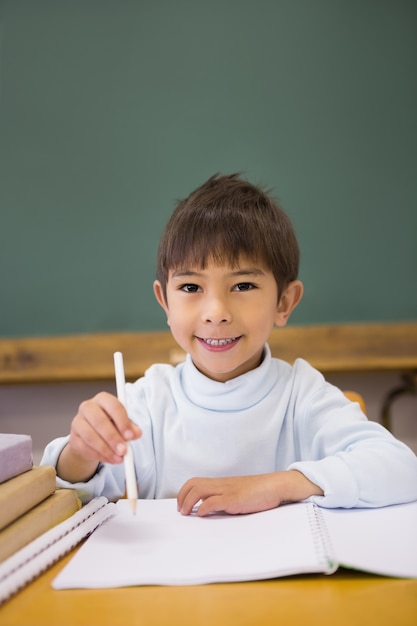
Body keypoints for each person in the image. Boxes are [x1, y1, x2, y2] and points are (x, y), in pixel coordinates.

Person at [41, 173, 417, 516]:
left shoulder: (302, 395)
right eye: (190, 288)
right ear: (165, 302)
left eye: (243, 286)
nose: (216, 312)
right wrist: (81, 451)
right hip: (172, 588)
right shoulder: (150, 403)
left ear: (284, 303)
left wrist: (276, 486)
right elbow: (69, 489)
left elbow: (401, 468)